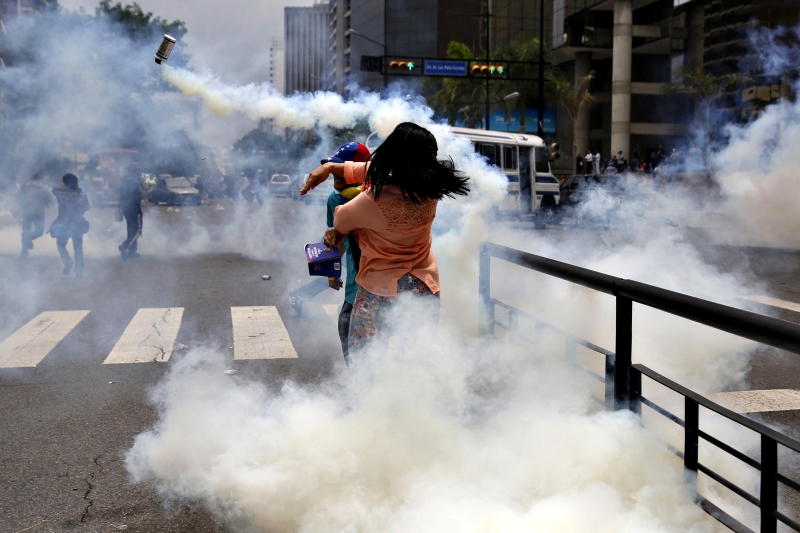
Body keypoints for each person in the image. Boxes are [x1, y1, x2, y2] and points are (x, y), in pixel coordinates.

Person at [303, 123, 470, 355]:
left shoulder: (372, 200)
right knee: (419, 362)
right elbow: (378, 170)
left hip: (378, 293)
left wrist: (331, 169)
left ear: (392, 155)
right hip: (422, 289)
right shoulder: (432, 190)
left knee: (365, 363)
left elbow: (340, 221)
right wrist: (332, 167)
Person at [290, 142, 370, 364]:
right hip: (355, 284)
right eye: (334, 168)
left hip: (381, 283)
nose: (336, 175)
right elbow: (336, 241)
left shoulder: (377, 195)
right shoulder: (335, 198)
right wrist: (331, 273)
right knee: (347, 329)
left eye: (340, 168)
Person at [50, 174, 90, 278]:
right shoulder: (82, 194)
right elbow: (87, 207)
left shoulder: (59, 191)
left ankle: (67, 262)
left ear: (64, 182)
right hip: (78, 222)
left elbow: (54, 189)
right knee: (78, 248)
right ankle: (79, 270)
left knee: (61, 244)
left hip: (63, 222)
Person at [16, 172, 54, 258]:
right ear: (41, 179)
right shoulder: (45, 189)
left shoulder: (23, 187)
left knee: (25, 231)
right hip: (39, 213)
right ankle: (29, 239)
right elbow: (52, 201)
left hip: (26, 212)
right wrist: (47, 203)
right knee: (39, 231)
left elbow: (17, 197)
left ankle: (24, 250)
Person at [118, 173, 144, 260]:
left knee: (131, 230)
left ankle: (132, 252)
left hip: (126, 209)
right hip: (135, 209)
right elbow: (141, 196)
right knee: (138, 231)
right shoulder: (136, 182)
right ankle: (125, 246)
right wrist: (146, 188)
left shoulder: (124, 181)